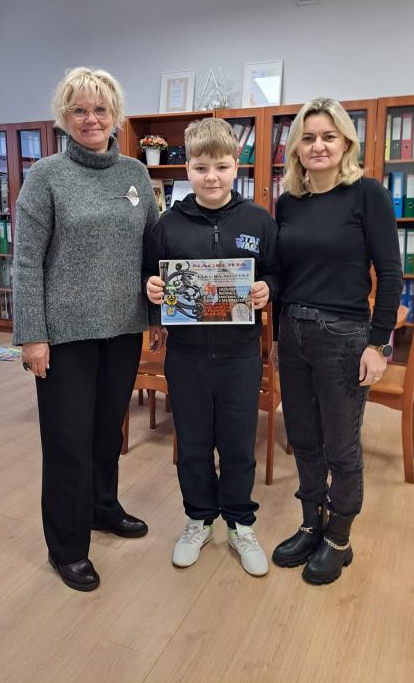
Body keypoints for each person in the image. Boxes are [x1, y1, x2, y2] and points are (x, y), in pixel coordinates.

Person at [13, 67, 159, 591]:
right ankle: (68, 546)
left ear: (115, 115)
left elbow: (152, 251)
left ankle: (102, 507)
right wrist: (32, 335)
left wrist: (157, 315)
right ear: (64, 116)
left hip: (123, 329)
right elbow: (26, 262)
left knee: (106, 432)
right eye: (79, 109)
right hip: (64, 336)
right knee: (67, 441)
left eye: (100, 109)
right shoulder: (46, 176)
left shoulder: (135, 174)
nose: (90, 118)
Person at [271, 97, 402, 585]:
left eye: (329, 136)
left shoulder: (368, 195)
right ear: (296, 148)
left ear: (346, 142)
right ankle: (312, 523)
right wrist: (274, 323)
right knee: (303, 439)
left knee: (341, 447)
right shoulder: (288, 202)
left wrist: (379, 345)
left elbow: (390, 274)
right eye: (308, 138)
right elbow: (283, 274)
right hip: (293, 332)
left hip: (344, 338)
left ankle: (339, 538)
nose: (318, 146)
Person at [144, 118, 279, 576]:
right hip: (187, 356)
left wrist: (267, 288)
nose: (212, 177)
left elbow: (277, 272)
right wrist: (153, 288)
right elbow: (149, 275)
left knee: (239, 444)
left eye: (221, 167)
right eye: (201, 167)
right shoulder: (168, 225)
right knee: (193, 443)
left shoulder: (258, 220)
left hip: (241, 355)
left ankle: (240, 523)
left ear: (236, 166)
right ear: (187, 169)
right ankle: (199, 519)